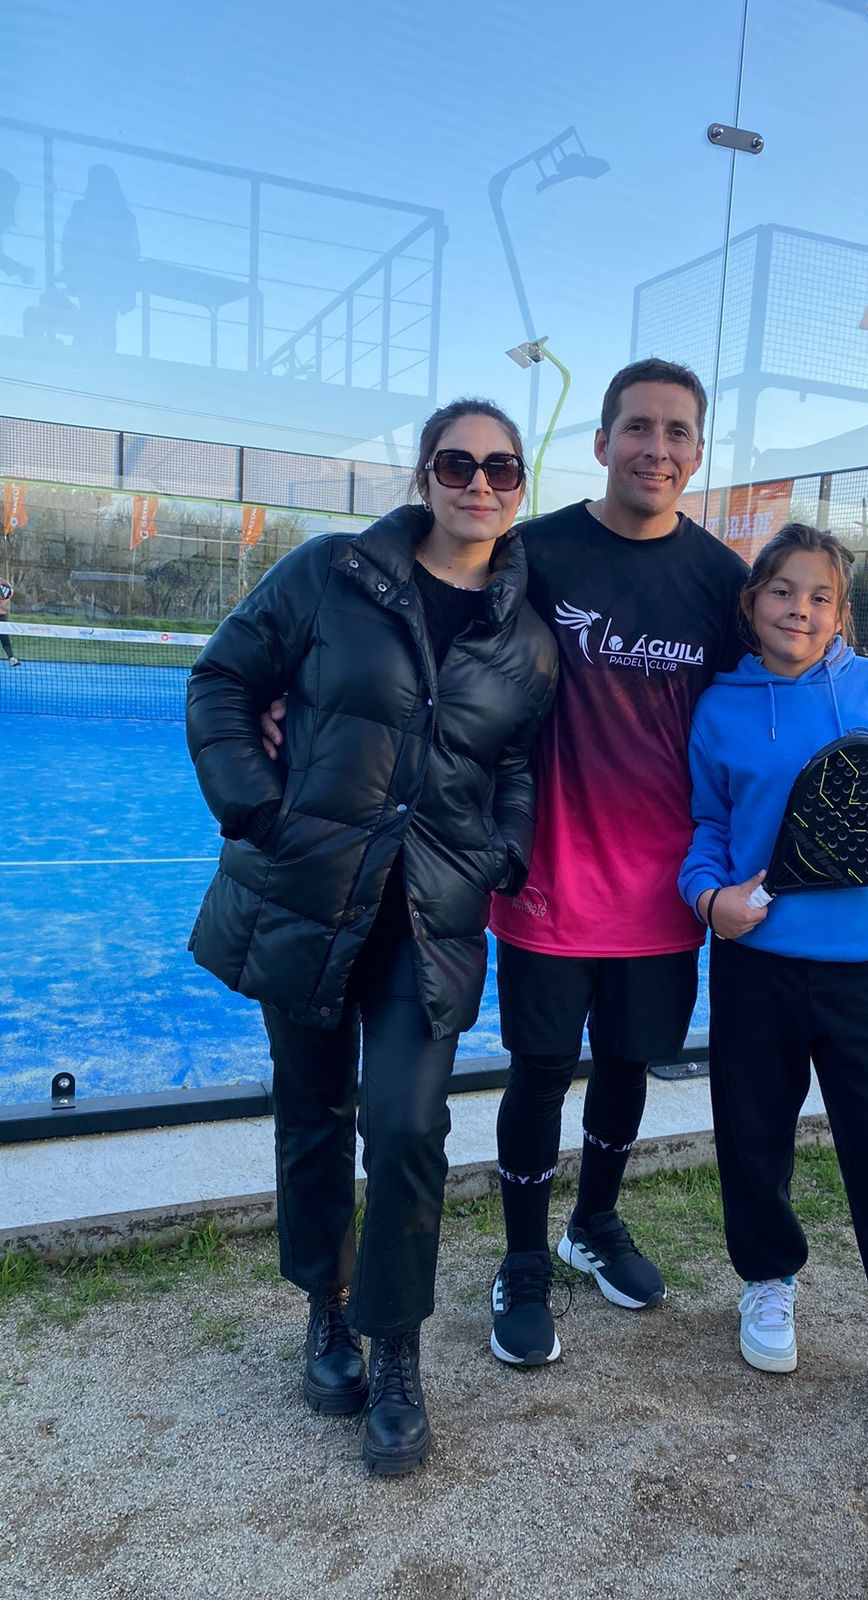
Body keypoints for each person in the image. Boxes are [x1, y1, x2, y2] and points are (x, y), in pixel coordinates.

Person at [260, 359, 749, 1367]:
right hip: (546, 883)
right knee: (541, 1073)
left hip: (664, 891)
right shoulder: (536, 553)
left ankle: (594, 1222)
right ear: (602, 442)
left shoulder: (722, 582)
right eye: (638, 427)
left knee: (627, 1067)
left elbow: (778, 694)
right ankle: (522, 1260)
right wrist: (289, 695)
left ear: (699, 453)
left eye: (677, 433)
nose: (656, 448)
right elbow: (422, 612)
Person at [187, 400, 557, 1476]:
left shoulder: (528, 640)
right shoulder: (327, 573)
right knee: (312, 1115)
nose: (478, 483)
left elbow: (517, 765)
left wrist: (503, 853)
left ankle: (395, 1348)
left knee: (406, 1128)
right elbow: (223, 680)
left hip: (430, 916)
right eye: (457, 462)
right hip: (307, 890)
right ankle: (328, 1306)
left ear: (519, 485)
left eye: (501, 467)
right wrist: (259, 807)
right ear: (424, 473)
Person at [678, 522, 868, 1460]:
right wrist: (710, 899)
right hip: (754, 963)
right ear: (752, 603)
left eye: (819, 597)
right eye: (782, 591)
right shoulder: (719, 707)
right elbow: (707, 828)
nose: (799, 610)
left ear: (841, 613)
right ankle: (767, 1280)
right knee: (753, 1136)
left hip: (859, 967)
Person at [59, 165, 140, 352]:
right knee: (102, 327)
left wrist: (70, 269)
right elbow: (132, 253)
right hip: (103, 281)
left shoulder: (82, 211)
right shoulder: (124, 217)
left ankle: (87, 361)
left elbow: (69, 242)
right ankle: (100, 362)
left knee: (93, 325)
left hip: (97, 280)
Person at [0, 581, 19, 664]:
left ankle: (11, 658)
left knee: (4, 638)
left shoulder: (5, 585)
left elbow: (10, 592)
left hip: (1, 616)